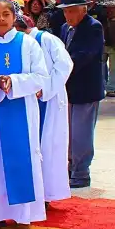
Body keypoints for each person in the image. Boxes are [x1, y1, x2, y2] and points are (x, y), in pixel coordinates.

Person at [0, 0, 48, 223]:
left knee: (22, 158)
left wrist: (13, 81)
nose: (1, 19)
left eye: (6, 14)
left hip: (23, 109)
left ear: (14, 17)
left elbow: (41, 76)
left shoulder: (29, 44)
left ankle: (22, 214)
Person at [15, 14, 73, 202]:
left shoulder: (46, 40)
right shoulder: (21, 44)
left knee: (48, 146)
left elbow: (65, 65)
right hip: (29, 98)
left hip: (49, 99)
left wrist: (45, 89)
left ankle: (47, 193)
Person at [58, 0, 105, 189]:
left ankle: (82, 171)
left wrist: (61, 67)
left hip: (86, 88)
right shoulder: (64, 28)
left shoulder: (94, 27)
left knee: (82, 133)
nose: (68, 16)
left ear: (84, 10)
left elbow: (85, 55)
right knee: (67, 131)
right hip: (67, 88)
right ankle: (70, 167)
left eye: (72, 11)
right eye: (66, 11)